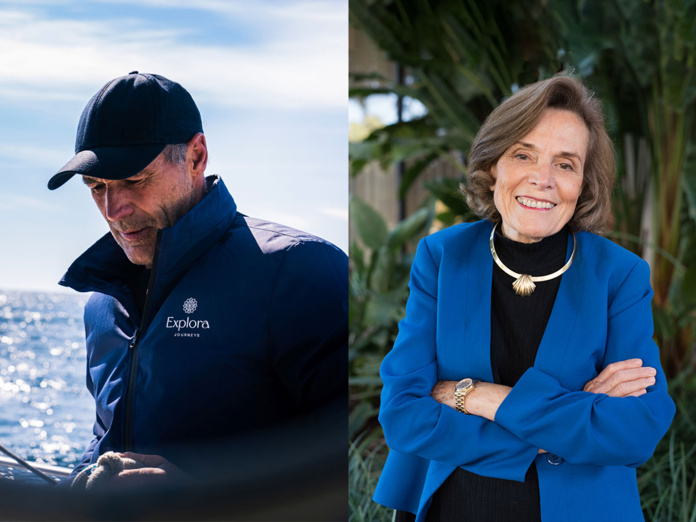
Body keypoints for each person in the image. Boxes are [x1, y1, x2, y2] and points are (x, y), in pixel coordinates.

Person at [373, 75, 675, 521]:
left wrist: (481, 398)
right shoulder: (442, 257)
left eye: (566, 164)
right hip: (452, 507)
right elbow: (402, 412)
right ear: (494, 165)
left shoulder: (619, 275)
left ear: (583, 184)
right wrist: (567, 420)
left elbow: (636, 429)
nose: (542, 179)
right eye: (523, 155)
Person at [47, 71, 348, 488]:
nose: (113, 209)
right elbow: (105, 439)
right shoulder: (101, 303)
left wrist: (201, 497)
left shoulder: (300, 270)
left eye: (134, 180)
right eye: (97, 186)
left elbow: (347, 457)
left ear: (196, 156)